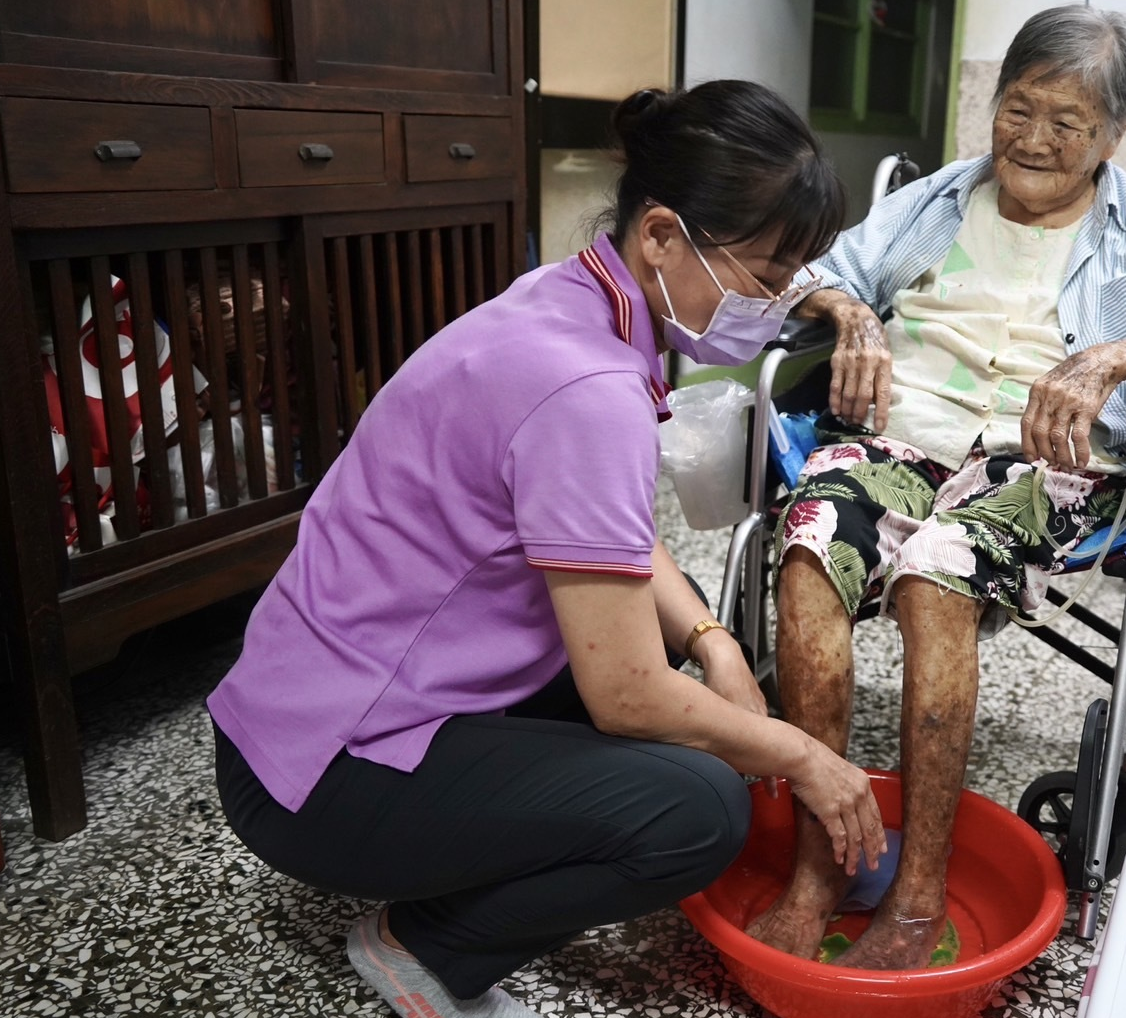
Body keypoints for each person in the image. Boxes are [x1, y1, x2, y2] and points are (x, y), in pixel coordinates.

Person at [208, 80, 887, 1018]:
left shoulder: (572, 296)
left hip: (298, 706)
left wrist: (714, 643)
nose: (775, 305)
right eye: (766, 275)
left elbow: (609, 530)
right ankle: (429, 952)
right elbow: (625, 696)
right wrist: (809, 757)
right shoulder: (585, 386)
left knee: (690, 649)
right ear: (660, 235)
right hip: (317, 772)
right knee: (697, 809)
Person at [746, 5, 1126, 970]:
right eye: (1015, 110)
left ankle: (915, 894)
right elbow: (801, 274)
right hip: (901, 435)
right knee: (809, 548)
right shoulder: (936, 197)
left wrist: (1113, 358)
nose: (1031, 141)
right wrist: (852, 316)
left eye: (1065, 124)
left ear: (1113, 132)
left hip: (1047, 462)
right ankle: (820, 867)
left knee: (938, 568)